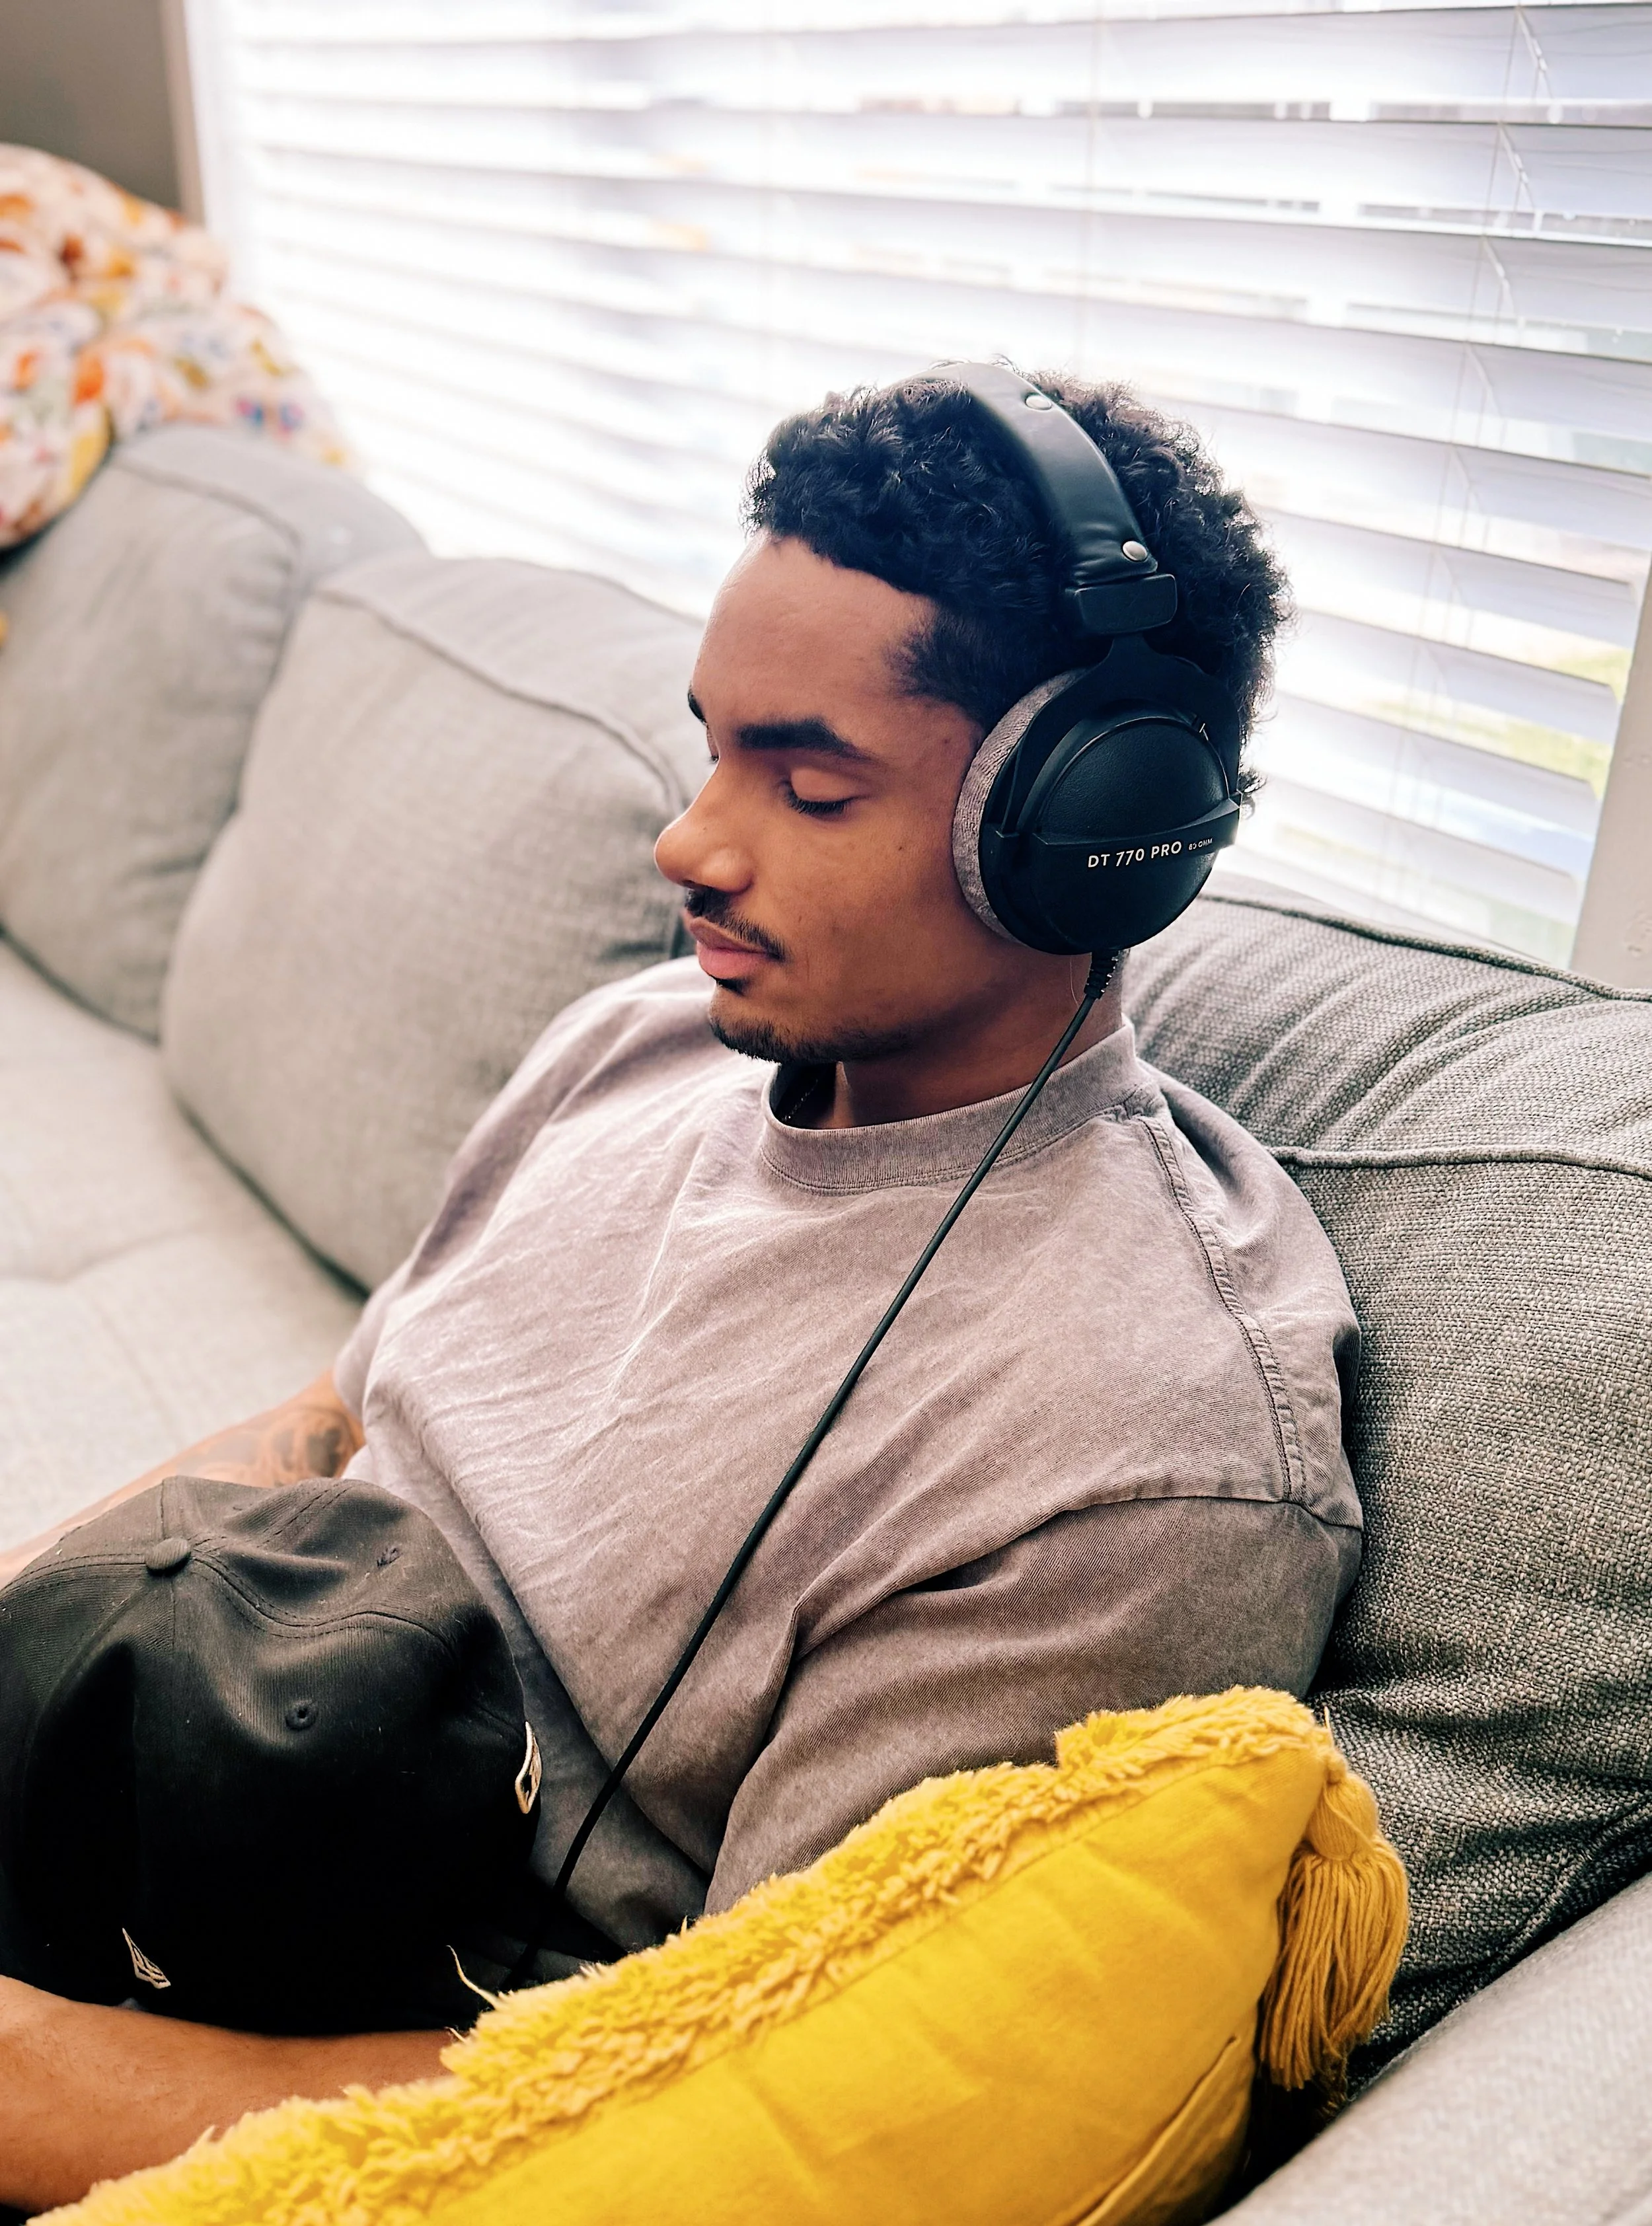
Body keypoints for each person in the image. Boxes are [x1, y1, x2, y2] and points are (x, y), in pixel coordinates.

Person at [0, 368, 1362, 2212]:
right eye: (710, 747)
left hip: (342, 2095)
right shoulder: (639, 1043)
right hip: (142, 1835)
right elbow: (328, 1424)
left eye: (805, 781)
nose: (690, 846)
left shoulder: (1130, 1447)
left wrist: (42, 2082)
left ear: (1084, 824)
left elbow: (727, 2064)